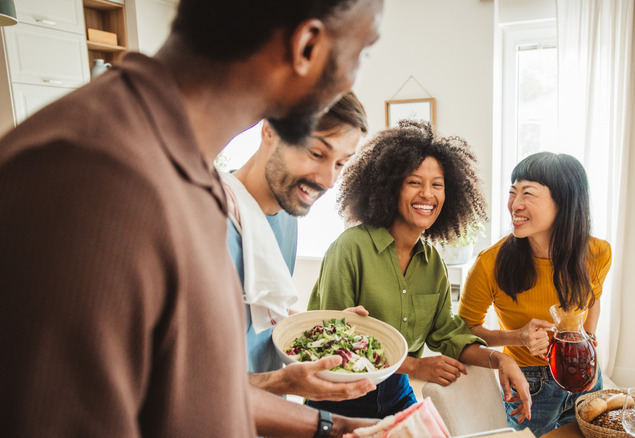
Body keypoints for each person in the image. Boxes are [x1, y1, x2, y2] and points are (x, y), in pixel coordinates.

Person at [0, 1, 383, 436]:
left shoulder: (189, 177)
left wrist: (332, 427)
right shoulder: (89, 176)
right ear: (307, 46)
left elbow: (189, 390)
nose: (356, 76)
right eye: (363, 52)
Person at [306, 120, 533, 421]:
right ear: (390, 187)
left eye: (437, 184)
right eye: (414, 182)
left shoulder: (433, 263)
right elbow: (334, 341)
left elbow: (448, 336)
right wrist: (415, 366)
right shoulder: (350, 249)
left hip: (396, 392)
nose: (428, 194)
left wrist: (499, 360)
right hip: (339, 395)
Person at [221, 91, 377, 402]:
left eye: (340, 164)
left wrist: (325, 331)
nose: (328, 180)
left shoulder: (287, 217)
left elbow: (263, 308)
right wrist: (281, 382)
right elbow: (184, 382)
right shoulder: (211, 222)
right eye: (317, 154)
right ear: (269, 130)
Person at [457, 151, 612, 437]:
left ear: (564, 202)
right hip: (531, 383)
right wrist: (516, 337)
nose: (514, 204)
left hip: (586, 375)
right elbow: (465, 330)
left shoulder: (597, 252)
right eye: (513, 193)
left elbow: (593, 300)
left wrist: (588, 343)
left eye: (528, 193)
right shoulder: (490, 263)